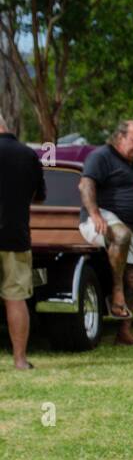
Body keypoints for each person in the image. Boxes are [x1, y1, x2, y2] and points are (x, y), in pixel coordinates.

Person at [78, 119, 133, 344]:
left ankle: (124, 331)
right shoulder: (101, 156)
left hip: (130, 228)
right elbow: (86, 185)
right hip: (100, 220)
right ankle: (117, 294)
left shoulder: (131, 163)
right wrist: (95, 214)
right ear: (119, 137)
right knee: (120, 235)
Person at [0, 112, 45, 370]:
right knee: (15, 298)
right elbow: (39, 196)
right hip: (15, 236)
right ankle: (20, 360)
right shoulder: (28, 154)